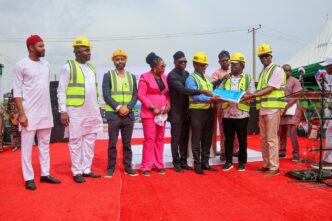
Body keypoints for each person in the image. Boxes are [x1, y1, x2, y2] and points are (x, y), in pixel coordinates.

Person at [13, 35, 61, 190]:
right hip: (29, 113)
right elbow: (18, 93)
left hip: (45, 112)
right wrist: (21, 114)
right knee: (27, 147)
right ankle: (29, 177)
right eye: (40, 46)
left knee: (45, 145)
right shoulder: (21, 65)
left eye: (43, 45)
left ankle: (45, 174)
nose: (43, 48)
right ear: (31, 47)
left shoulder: (46, 64)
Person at [57, 36, 103, 183]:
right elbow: (61, 90)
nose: (89, 53)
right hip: (75, 111)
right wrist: (63, 111)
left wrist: (99, 106)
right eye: (86, 50)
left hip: (91, 110)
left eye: (89, 50)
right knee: (76, 140)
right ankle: (77, 171)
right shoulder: (68, 67)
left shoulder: (91, 68)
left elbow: (95, 90)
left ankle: (86, 169)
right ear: (77, 51)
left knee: (90, 139)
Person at [242, 43, 286, 176]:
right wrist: (248, 94)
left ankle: (274, 167)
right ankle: (266, 164)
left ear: (271, 56)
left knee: (271, 139)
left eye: (266, 55)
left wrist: (253, 95)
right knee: (263, 139)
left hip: (273, 109)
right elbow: (258, 90)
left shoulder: (277, 70)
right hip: (263, 109)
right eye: (261, 57)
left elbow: (270, 88)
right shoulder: (263, 72)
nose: (264, 58)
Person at [167, 51, 212, 172]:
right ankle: (176, 163)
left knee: (184, 139)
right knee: (176, 139)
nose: (183, 64)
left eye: (184, 62)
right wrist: (201, 91)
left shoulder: (186, 74)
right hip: (176, 112)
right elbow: (182, 90)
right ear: (175, 62)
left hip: (186, 111)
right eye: (180, 62)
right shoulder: (172, 76)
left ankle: (183, 161)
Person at [102, 49, 138, 177]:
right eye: (117, 59)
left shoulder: (131, 76)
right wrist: (118, 107)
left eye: (122, 59)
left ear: (126, 60)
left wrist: (128, 107)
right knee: (112, 143)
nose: (120, 61)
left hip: (128, 114)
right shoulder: (108, 75)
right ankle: (111, 168)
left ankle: (128, 167)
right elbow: (106, 95)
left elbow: (135, 95)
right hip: (114, 114)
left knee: (127, 143)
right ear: (113, 61)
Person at [185, 52, 222, 175]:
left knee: (207, 138)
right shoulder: (191, 78)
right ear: (195, 64)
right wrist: (211, 99)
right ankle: (197, 164)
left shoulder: (207, 78)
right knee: (197, 138)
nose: (204, 67)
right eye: (201, 65)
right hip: (197, 111)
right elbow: (194, 96)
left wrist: (219, 96)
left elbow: (212, 92)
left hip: (209, 111)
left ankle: (205, 162)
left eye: (205, 65)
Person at [221, 52, 255, 172]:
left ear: (242, 65)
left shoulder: (248, 78)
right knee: (228, 138)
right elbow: (219, 91)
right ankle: (228, 161)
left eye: (235, 64)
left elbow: (252, 94)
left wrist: (244, 96)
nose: (233, 67)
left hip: (241, 114)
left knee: (242, 139)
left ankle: (242, 162)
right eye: (232, 64)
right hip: (227, 113)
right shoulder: (226, 78)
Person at [138, 52, 170, 176]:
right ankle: (146, 166)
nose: (164, 68)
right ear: (154, 67)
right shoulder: (144, 77)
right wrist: (152, 106)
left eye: (164, 66)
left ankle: (159, 164)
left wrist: (168, 105)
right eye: (162, 66)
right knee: (150, 139)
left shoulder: (164, 77)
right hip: (149, 113)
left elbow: (166, 94)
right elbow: (141, 95)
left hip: (162, 113)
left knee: (160, 138)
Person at [211, 50, 239, 160]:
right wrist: (222, 79)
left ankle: (235, 150)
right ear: (219, 62)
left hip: (234, 105)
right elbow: (212, 87)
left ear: (229, 60)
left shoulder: (235, 71)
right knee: (223, 130)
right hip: (222, 106)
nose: (224, 62)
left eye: (226, 60)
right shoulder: (216, 73)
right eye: (222, 61)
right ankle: (223, 152)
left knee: (235, 128)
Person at [311, 55, 332, 169]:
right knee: (329, 135)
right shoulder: (327, 77)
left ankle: (329, 160)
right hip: (329, 110)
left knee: (330, 135)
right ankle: (327, 159)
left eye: (327, 66)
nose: (326, 69)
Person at [279, 64, 302, 161]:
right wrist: (281, 108)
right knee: (282, 131)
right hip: (282, 107)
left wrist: (286, 107)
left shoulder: (295, 81)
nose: (287, 72)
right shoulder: (279, 82)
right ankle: (282, 151)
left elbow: (296, 96)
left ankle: (296, 153)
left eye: (289, 70)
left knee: (292, 131)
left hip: (293, 108)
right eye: (285, 70)